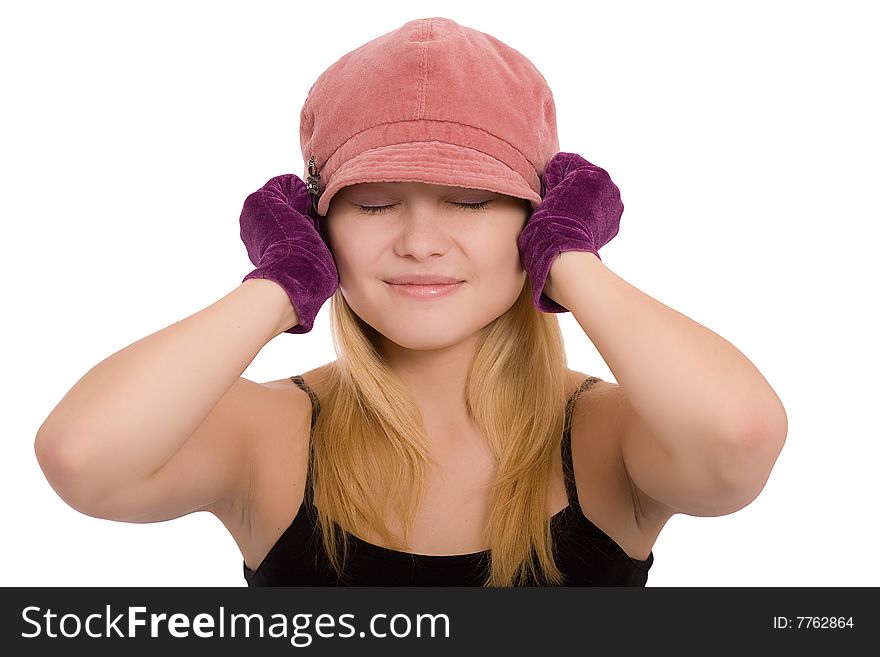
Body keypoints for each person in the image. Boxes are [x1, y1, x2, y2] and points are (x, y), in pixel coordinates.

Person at [34, 17, 787, 587]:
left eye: (469, 200)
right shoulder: (267, 434)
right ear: (314, 225)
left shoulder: (607, 435)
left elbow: (741, 434)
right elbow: (82, 457)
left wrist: (572, 260)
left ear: (539, 217)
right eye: (373, 205)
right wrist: (277, 285)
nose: (421, 241)